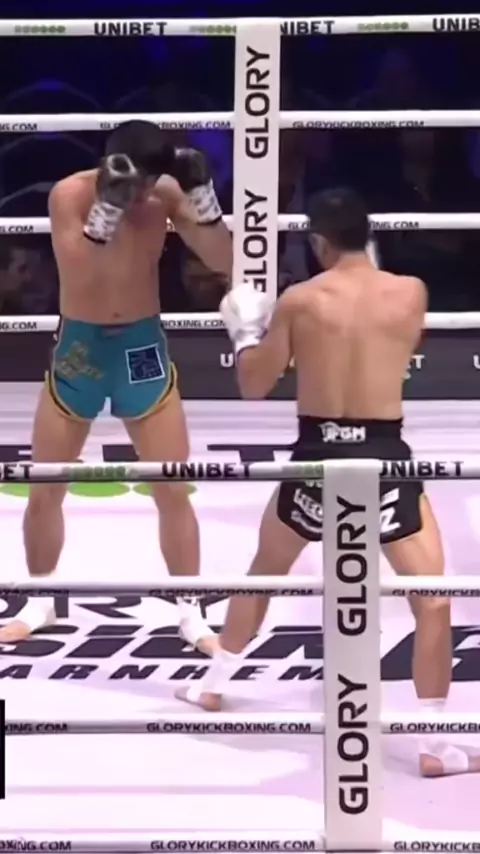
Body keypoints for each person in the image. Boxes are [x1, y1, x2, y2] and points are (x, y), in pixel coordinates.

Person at [179, 187, 480, 778]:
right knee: (434, 601)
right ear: (368, 234)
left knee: (264, 572)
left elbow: (253, 385)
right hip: (383, 457)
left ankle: (213, 685)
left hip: (317, 455)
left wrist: (245, 333)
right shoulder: (410, 292)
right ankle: (434, 744)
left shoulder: (301, 300)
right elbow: (399, 349)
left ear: (317, 241)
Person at [0, 119, 233, 654]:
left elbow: (225, 260)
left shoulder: (164, 195)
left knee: (172, 486)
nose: (146, 195)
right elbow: (82, 274)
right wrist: (106, 208)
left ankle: (190, 611)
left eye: (153, 184)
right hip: (82, 348)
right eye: (140, 184)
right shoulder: (70, 195)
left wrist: (203, 201)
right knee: (46, 486)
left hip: (140, 347)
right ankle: (40, 600)